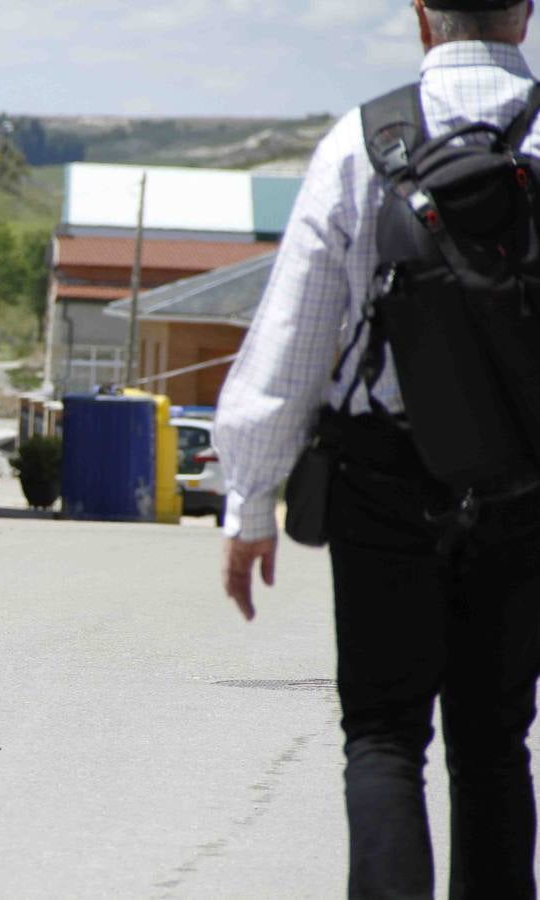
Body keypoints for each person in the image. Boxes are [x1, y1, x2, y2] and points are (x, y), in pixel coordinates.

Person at [215, 1, 540, 894]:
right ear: (526, 15)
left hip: (383, 479)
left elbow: (294, 341)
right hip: (525, 487)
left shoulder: (363, 143)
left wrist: (250, 505)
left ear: (422, 15)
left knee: (385, 737)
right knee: (496, 742)